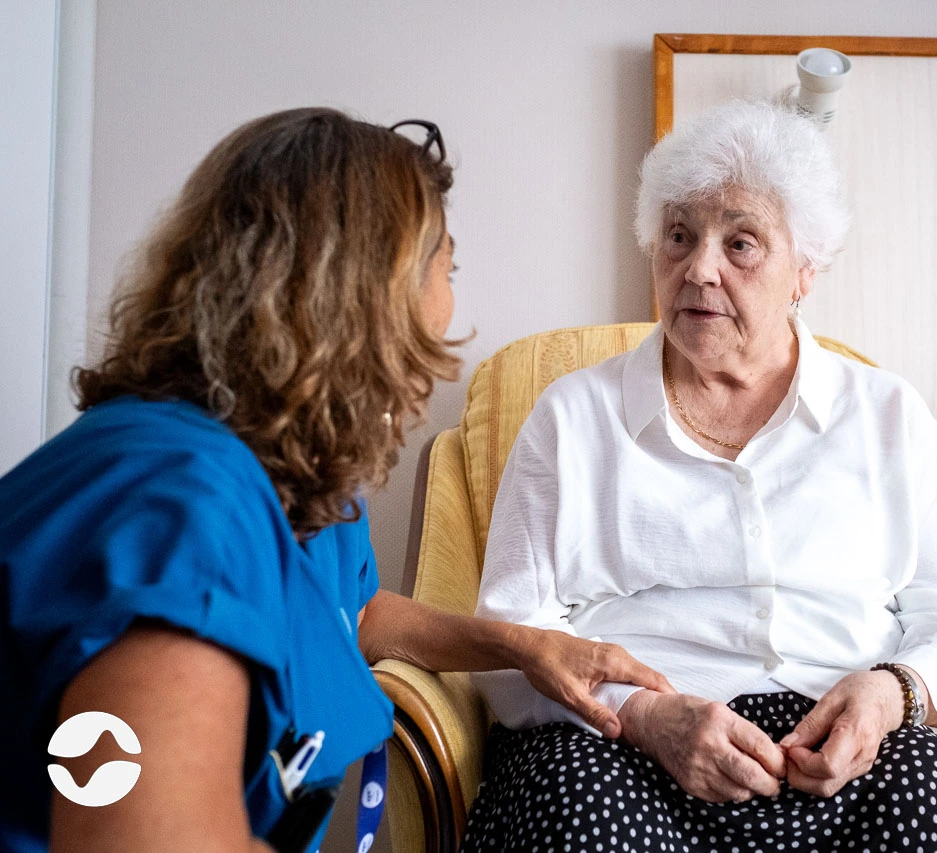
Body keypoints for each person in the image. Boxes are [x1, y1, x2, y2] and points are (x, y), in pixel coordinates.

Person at [0, 107, 670, 853]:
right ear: (366, 299)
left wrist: (523, 646)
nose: (451, 308)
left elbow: (347, 611)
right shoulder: (185, 507)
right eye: (447, 266)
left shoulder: (295, 479)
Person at [463, 101, 937, 852]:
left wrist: (891, 694)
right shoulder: (572, 421)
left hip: (849, 752)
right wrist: (644, 715)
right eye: (678, 236)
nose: (699, 268)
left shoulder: (887, 417)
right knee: (573, 806)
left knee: (931, 799)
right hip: (627, 747)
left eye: (740, 242)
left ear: (805, 271)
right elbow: (509, 641)